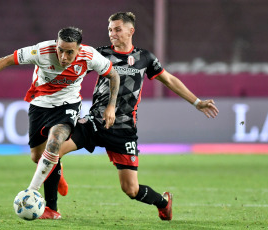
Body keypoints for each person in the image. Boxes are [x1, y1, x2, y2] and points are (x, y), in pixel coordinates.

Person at [42, 12, 219, 220]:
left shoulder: (145, 58)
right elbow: (72, 71)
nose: (112, 33)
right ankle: (51, 208)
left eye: (117, 29)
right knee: (51, 152)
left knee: (131, 189)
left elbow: (169, 80)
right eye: (110, 30)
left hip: (123, 129)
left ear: (130, 30)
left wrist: (197, 102)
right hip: (95, 122)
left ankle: (163, 202)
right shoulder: (101, 54)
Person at [0, 27, 120, 219]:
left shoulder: (90, 55)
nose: (63, 56)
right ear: (56, 44)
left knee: (55, 142)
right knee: (38, 157)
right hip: (40, 105)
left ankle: (37, 197)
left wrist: (111, 106)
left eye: (70, 52)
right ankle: (56, 173)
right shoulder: (42, 51)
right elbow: (7, 60)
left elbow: (114, 75)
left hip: (67, 105)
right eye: (60, 49)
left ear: (79, 49)